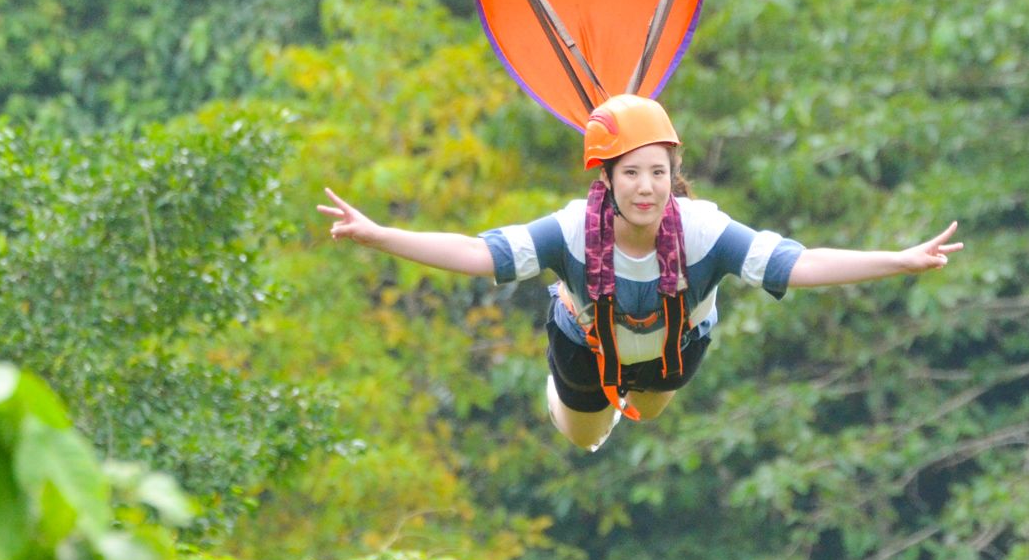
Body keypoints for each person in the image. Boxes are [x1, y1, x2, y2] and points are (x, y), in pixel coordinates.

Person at [317, 94, 963, 451]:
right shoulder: (572, 230)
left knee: (647, 412)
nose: (646, 187)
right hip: (584, 343)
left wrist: (899, 260)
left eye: (658, 172)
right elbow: (477, 254)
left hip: (673, 347)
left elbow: (801, 264)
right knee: (586, 435)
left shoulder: (704, 231)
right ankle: (561, 390)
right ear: (607, 179)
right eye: (631, 173)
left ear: (673, 175)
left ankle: (629, 389)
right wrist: (378, 235)